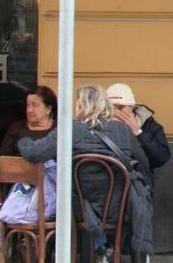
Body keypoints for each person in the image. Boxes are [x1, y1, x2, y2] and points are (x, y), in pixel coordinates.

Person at [18, 84, 155, 259]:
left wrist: (24, 140)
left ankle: (95, 250)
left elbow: (34, 153)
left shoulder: (70, 130)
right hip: (118, 207)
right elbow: (143, 163)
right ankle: (108, 250)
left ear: (80, 106)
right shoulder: (122, 130)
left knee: (65, 195)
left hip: (79, 209)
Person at [106, 82, 171, 186]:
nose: (115, 113)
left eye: (120, 108)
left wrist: (137, 131)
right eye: (111, 108)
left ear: (132, 108)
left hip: (139, 185)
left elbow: (161, 157)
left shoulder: (148, 124)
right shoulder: (100, 124)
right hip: (108, 182)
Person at [0, 85, 57, 156]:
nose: (29, 110)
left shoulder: (59, 131)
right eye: (28, 105)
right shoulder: (16, 128)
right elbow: (3, 158)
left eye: (35, 105)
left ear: (48, 109)